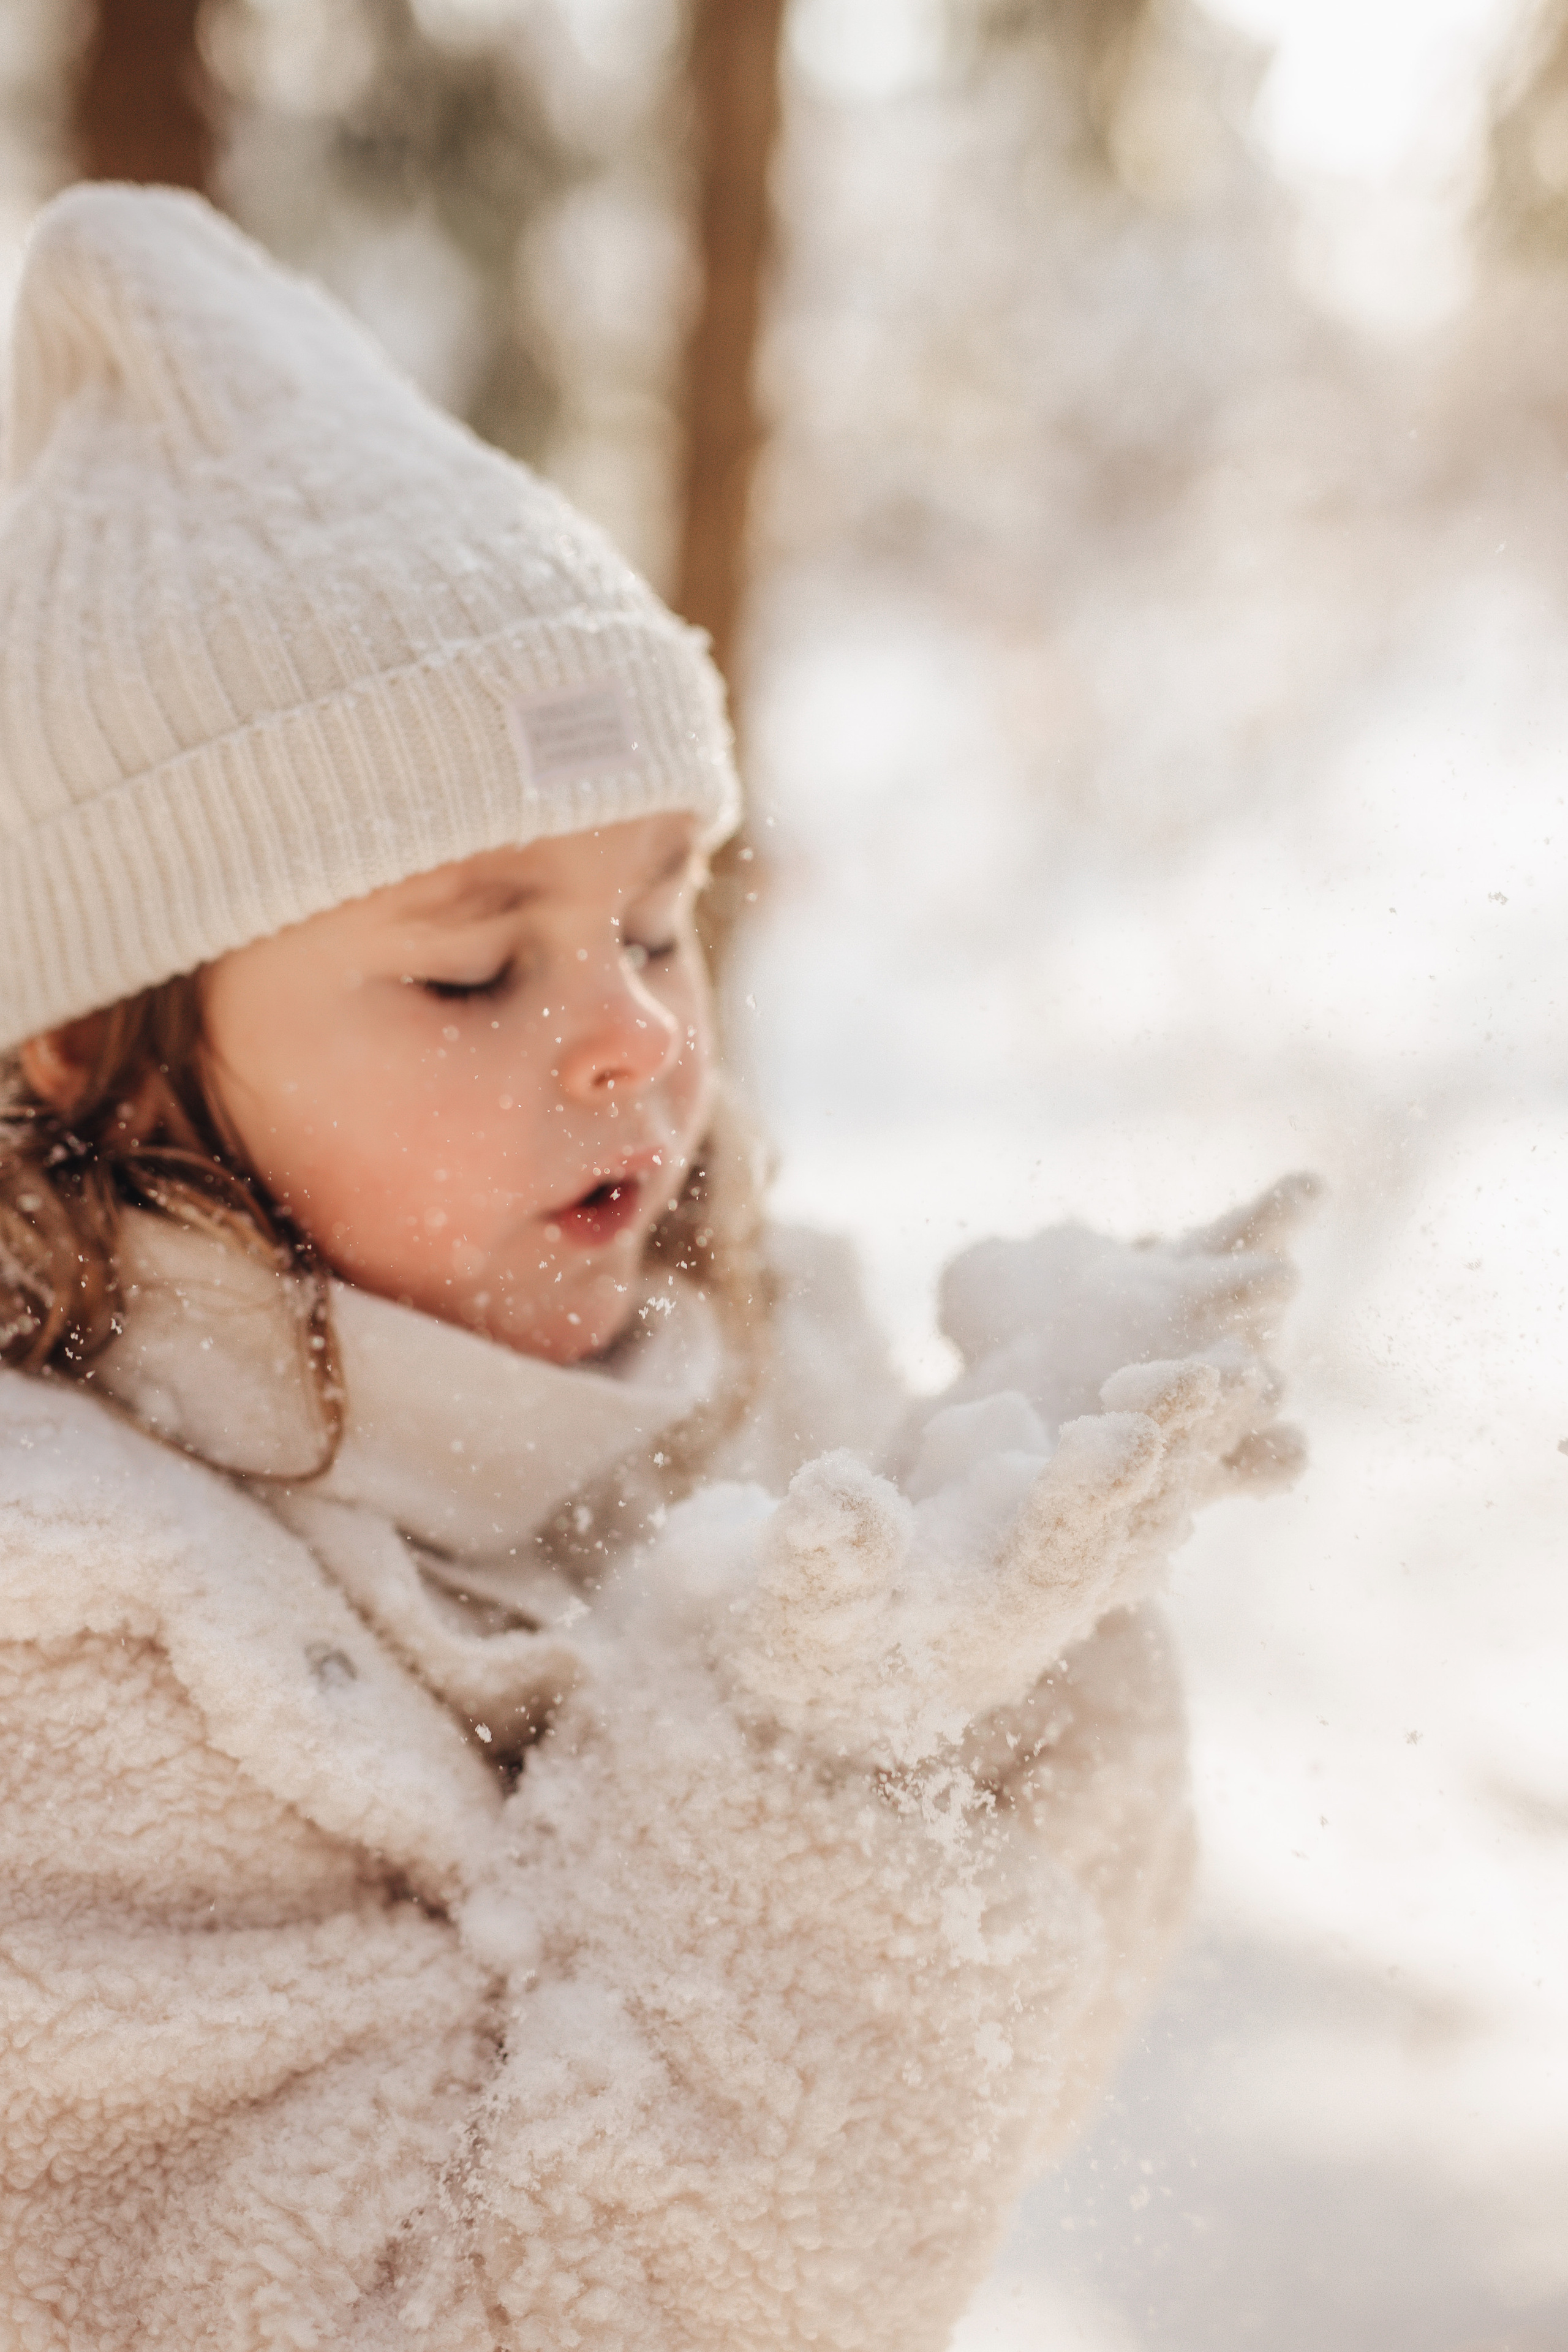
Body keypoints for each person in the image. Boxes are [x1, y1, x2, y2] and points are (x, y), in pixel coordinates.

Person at [0, 184, 1314, 2351]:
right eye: (467, 968)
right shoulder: (72, 1640)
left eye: (656, 917)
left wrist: (1035, 1649)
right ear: (94, 1047)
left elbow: (994, 2101)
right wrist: (805, 1756)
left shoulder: (750, 1379)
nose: (632, 1031)